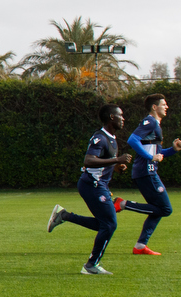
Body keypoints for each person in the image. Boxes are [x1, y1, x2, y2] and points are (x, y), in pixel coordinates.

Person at [46, 103, 134, 275]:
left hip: (99, 185)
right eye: (120, 115)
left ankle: (64, 215)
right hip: (91, 185)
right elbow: (89, 160)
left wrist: (116, 167)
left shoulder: (111, 138)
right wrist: (116, 161)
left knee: (105, 224)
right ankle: (90, 265)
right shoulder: (99, 138)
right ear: (111, 117)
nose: (123, 118)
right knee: (109, 224)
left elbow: (103, 162)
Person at [122, 93, 181, 255]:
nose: (167, 107)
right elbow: (132, 140)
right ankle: (123, 204)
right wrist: (151, 157)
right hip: (146, 172)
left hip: (147, 172)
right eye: (164, 104)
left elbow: (157, 152)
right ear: (154, 107)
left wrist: (173, 150)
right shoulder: (149, 122)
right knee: (165, 209)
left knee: (157, 209)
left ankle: (140, 246)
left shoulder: (155, 124)